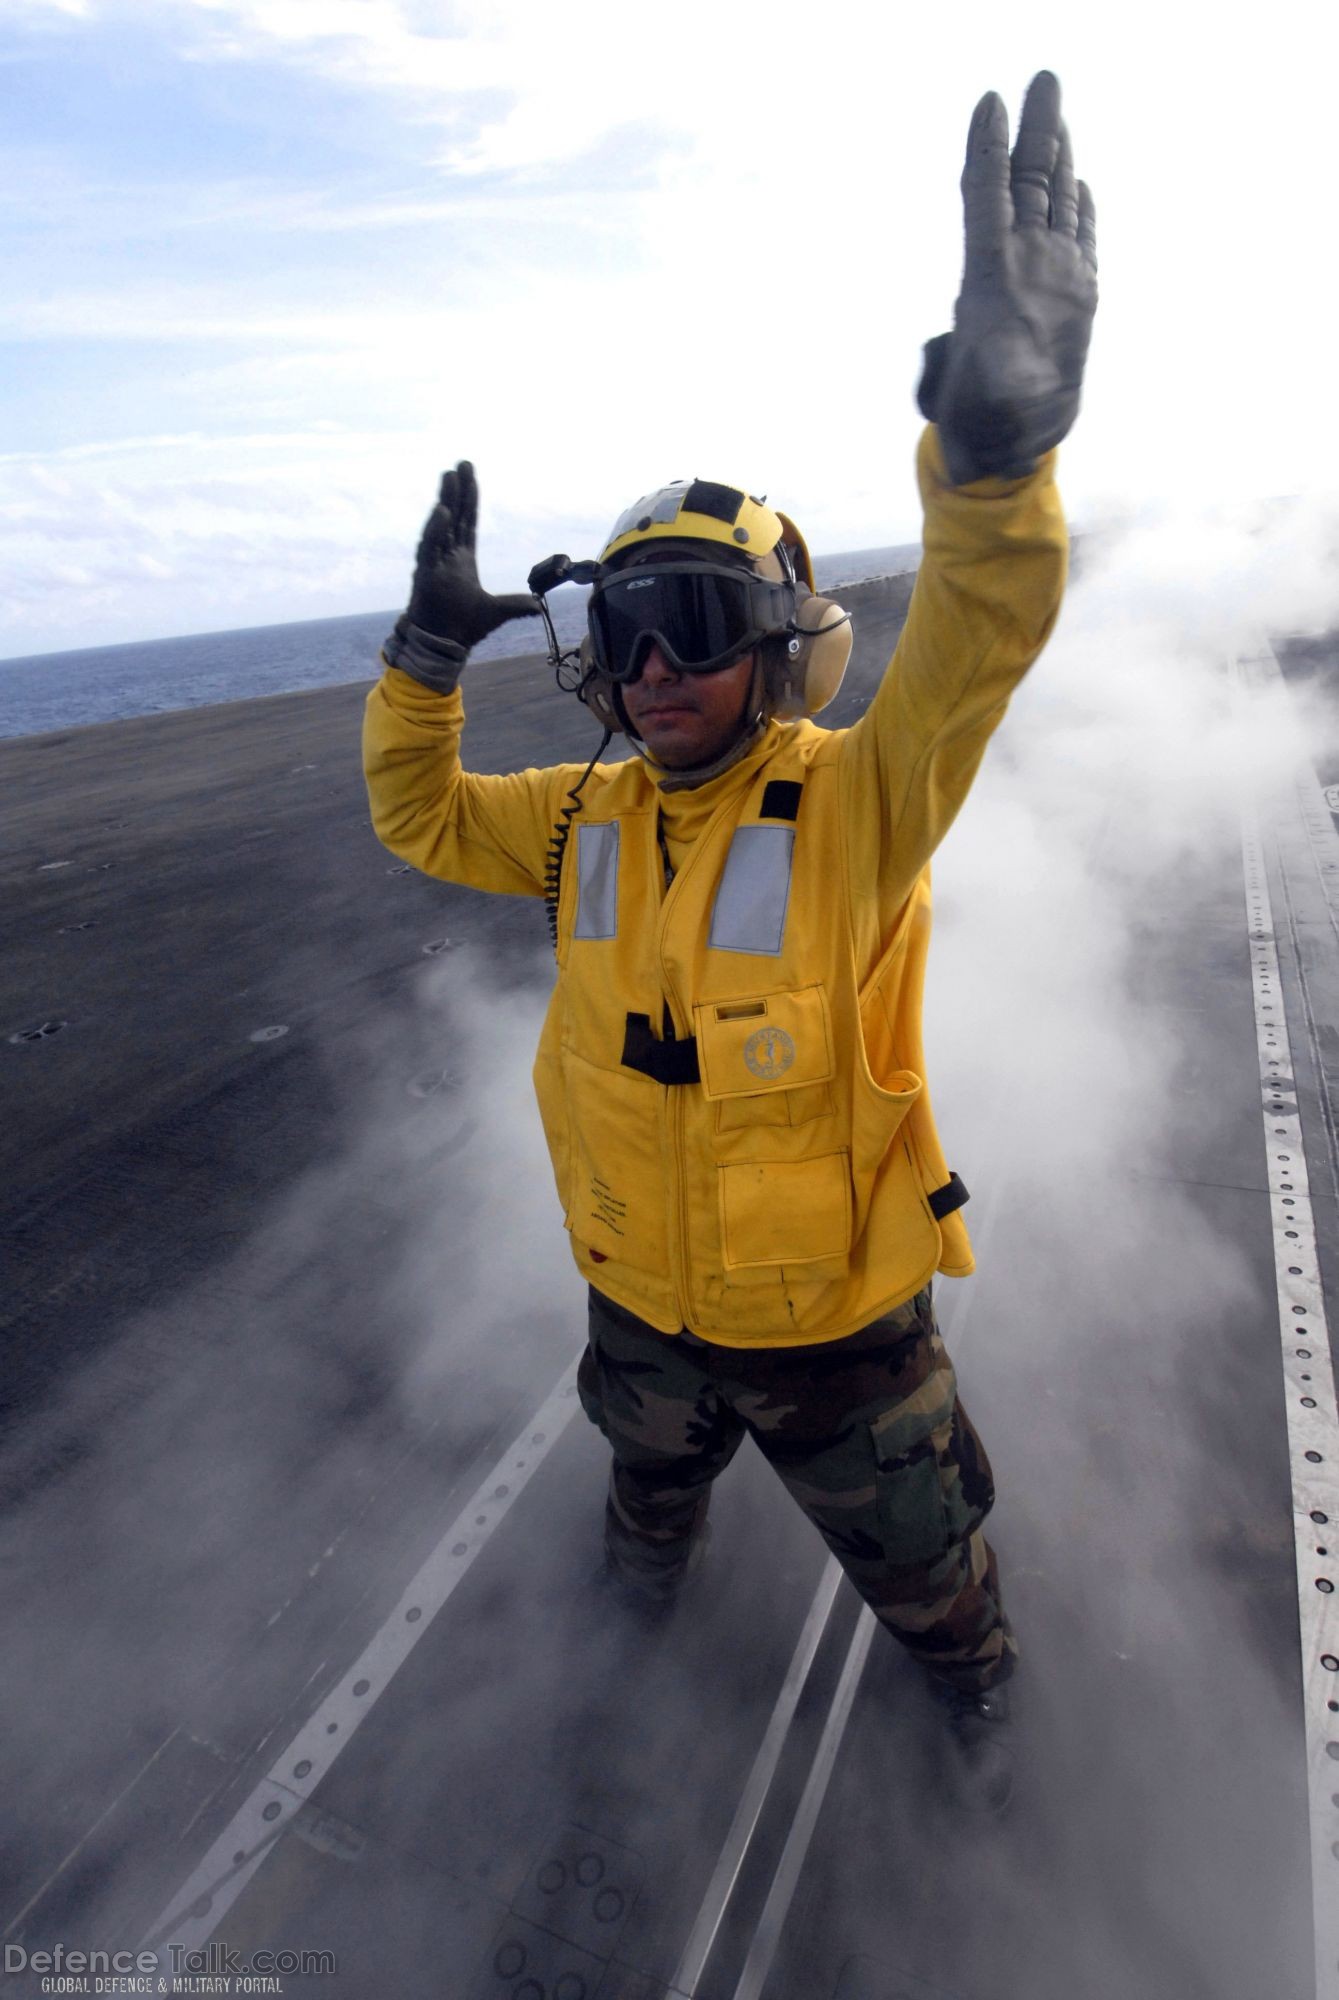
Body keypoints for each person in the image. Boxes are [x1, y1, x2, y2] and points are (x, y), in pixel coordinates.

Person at [363, 71, 1097, 1813]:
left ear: (771, 645)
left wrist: (993, 467)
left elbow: (978, 642)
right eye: (626, 630)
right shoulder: (579, 821)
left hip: (835, 1327)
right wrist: (419, 657)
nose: (656, 665)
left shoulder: (857, 801)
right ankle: (636, 1612)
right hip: (641, 1299)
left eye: (695, 622)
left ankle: (980, 1710)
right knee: (643, 1501)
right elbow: (415, 813)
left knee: (929, 1575)